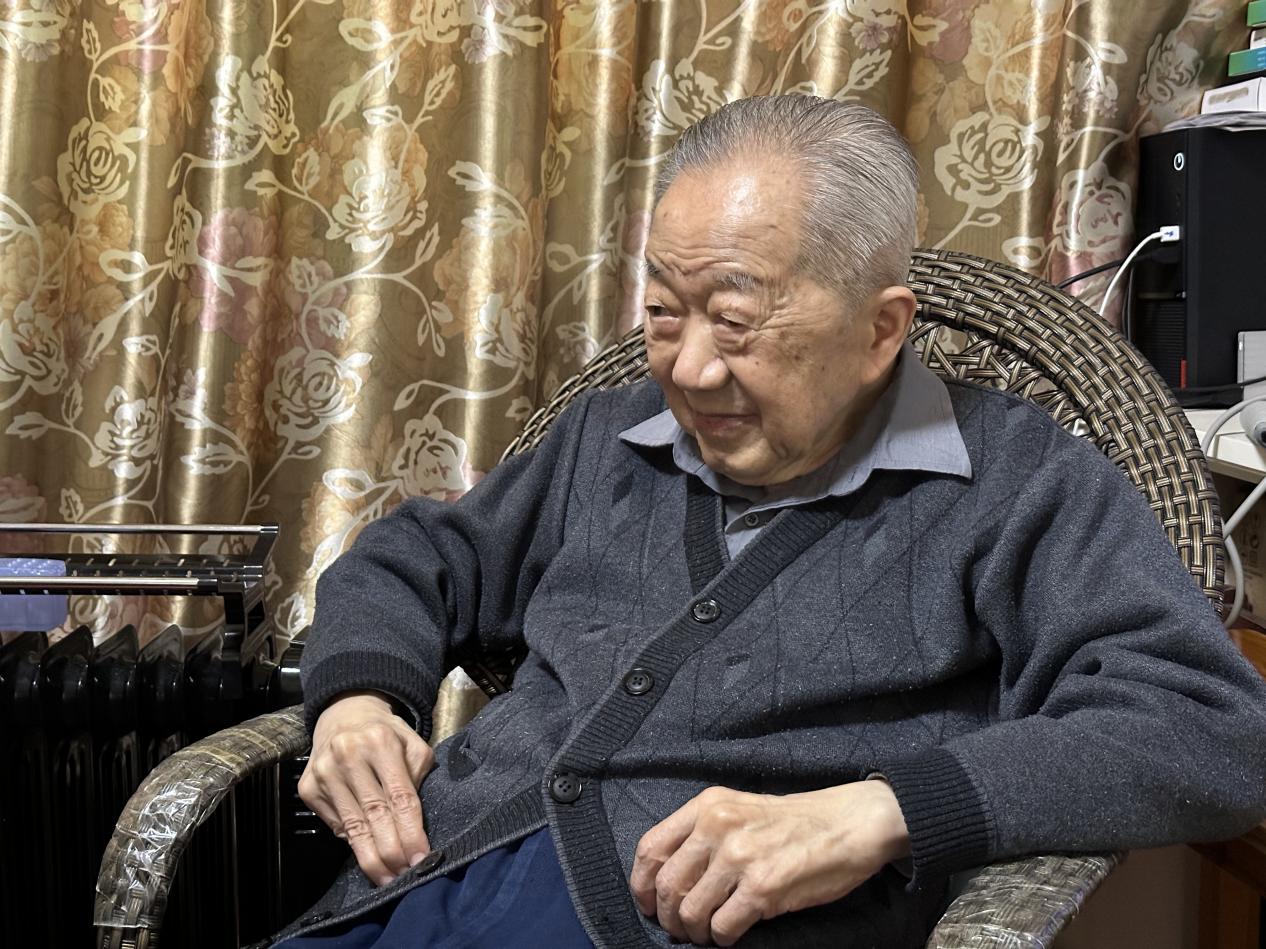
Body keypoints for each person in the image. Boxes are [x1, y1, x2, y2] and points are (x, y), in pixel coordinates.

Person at [269, 96, 1266, 949]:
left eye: (737, 322)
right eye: (665, 312)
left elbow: (1210, 730)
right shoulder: (607, 436)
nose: (691, 369)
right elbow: (418, 557)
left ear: (881, 328)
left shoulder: (1015, 479)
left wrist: (882, 810)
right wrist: (359, 697)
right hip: (412, 893)